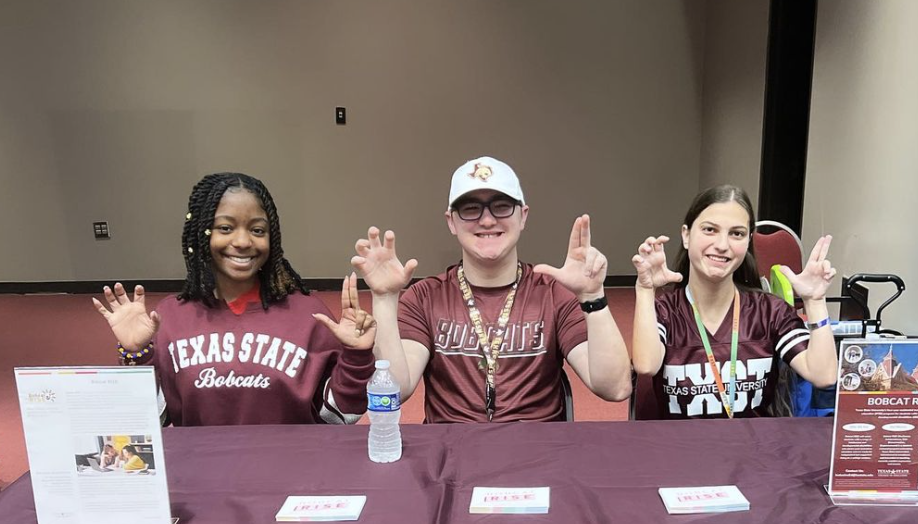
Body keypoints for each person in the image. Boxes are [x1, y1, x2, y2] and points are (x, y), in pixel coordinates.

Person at [352, 156, 632, 422]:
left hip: (539, 455)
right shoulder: (425, 297)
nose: (487, 220)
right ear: (451, 221)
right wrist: (385, 299)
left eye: (501, 206)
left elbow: (615, 388)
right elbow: (397, 389)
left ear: (523, 216)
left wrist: (592, 297)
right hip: (450, 455)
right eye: (471, 208)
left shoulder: (553, 294)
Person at [92, 172, 376, 426]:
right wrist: (137, 355)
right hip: (200, 479)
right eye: (225, 228)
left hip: (292, 474)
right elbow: (154, 421)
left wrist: (357, 356)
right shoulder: (170, 317)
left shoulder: (308, 314)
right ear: (201, 235)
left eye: (257, 230)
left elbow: (339, 417)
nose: (242, 242)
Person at [631, 184, 838, 419]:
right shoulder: (666, 310)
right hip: (682, 451)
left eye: (736, 234)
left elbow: (824, 376)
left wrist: (814, 301)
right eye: (710, 230)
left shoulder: (769, 311)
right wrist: (646, 289)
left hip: (753, 451)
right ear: (686, 235)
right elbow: (646, 366)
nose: (722, 245)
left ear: (748, 242)